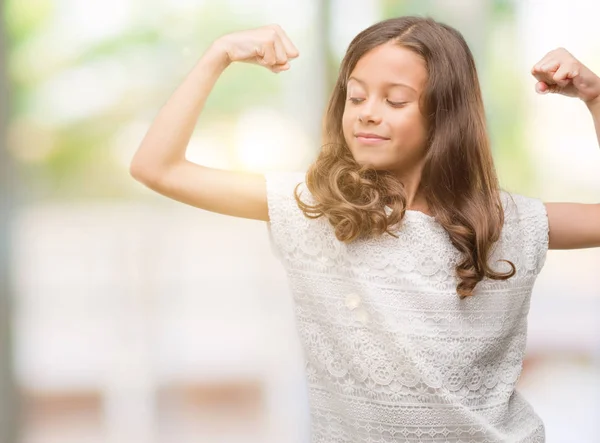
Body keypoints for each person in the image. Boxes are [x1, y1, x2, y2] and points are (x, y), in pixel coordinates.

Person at [129, 16, 600, 443]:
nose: (367, 112)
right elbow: (158, 167)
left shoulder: (506, 222)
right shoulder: (314, 209)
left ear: (444, 115)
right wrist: (220, 54)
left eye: (395, 100)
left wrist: (595, 98)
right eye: (356, 96)